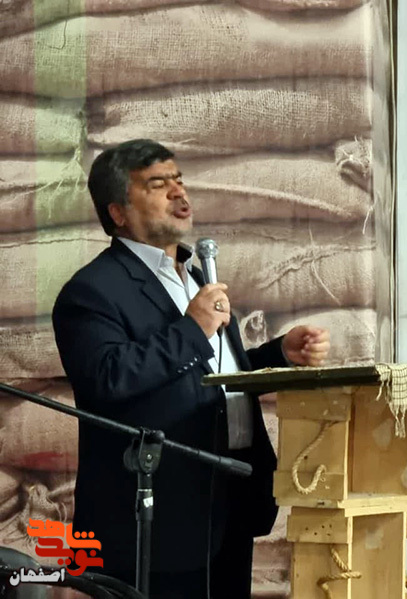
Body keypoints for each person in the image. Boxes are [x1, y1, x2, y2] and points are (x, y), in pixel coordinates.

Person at [52, 139, 331, 598]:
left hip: (230, 498)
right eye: (157, 184)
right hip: (158, 519)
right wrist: (193, 328)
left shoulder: (196, 277)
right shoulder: (92, 291)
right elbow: (107, 379)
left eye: (179, 180)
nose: (179, 192)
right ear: (118, 212)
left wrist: (278, 354)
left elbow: (209, 377)